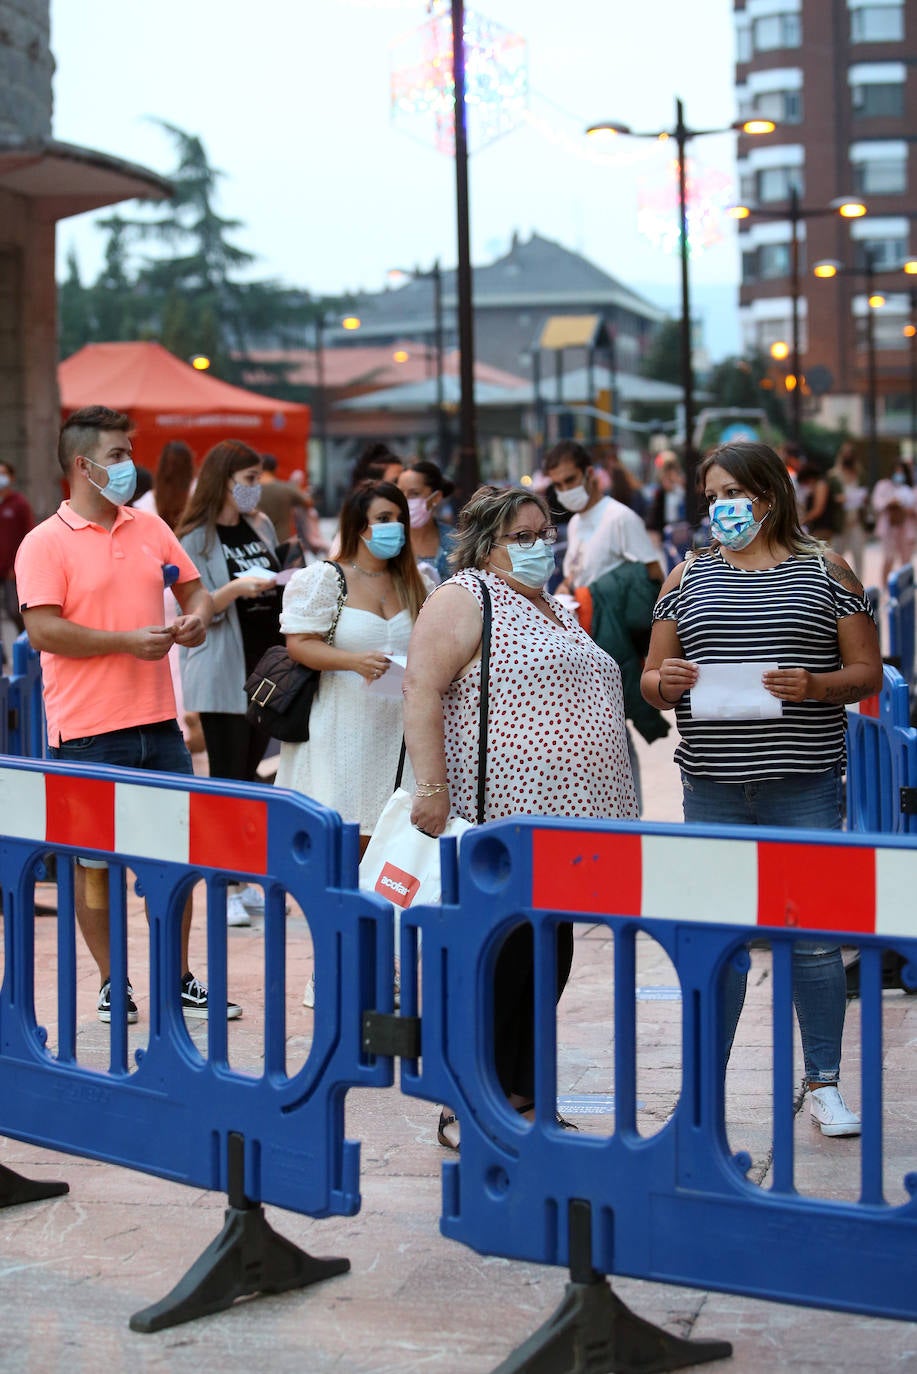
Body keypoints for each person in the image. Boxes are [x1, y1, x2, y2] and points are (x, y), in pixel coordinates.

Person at [641, 439, 882, 1138]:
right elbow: (652, 680)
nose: (718, 507)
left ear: (768, 496)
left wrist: (814, 685)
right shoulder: (685, 577)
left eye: (730, 494)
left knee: (810, 941)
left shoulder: (823, 570)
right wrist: (669, 682)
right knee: (719, 941)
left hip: (801, 785)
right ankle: (704, 1095)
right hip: (711, 787)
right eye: (709, 496)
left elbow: (865, 671)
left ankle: (823, 1084)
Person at [402, 484, 638, 1149]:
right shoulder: (465, 596)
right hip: (501, 818)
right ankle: (470, 1104)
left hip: (567, 826)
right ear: (485, 542)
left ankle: (525, 1093)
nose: (541, 545)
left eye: (545, 533)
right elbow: (422, 687)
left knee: (545, 958)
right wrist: (430, 787)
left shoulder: (551, 606)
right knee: (502, 961)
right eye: (523, 536)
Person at [14, 405, 240, 1023]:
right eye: (117, 455)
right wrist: (124, 642)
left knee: (175, 859)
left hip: (159, 723)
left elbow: (190, 587)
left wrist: (195, 617)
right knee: (93, 871)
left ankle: (179, 976)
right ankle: (115, 981)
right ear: (82, 466)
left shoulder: (149, 527)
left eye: (129, 453)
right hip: (86, 733)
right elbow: (43, 630)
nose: (128, 465)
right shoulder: (44, 542)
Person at [275, 479, 432, 1006]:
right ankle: (333, 966)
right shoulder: (326, 579)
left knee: (394, 850)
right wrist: (351, 661)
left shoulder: (418, 581)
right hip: (343, 727)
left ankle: (385, 965)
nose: (392, 527)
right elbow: (298, 644)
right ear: (359, 524)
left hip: (401, 733)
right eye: (382, 517)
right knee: (344, 850)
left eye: (398, 517)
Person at [176, 441, 283, 927]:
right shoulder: (194, 538)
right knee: (226, 777)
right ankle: (225, 882)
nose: (254, 488)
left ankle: (248, 871)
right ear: (224, 480)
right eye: (248, 478)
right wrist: (237, 589)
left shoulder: (260, 524)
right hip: (222, 667)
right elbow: (195, 609)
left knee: (253, 776)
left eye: (257, 478)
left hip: (267, 664)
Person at [543, 439, 664, 811]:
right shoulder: (578, 522)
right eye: (558, 485)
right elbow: (581, 570)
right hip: (585, 636)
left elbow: (653, 574)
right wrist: (569, 588)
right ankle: (607, 812)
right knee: (597, 730)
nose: (566, 491)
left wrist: (604, 593)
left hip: (615, 639)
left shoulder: (620, 518)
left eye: (571, 480)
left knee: (616, 726)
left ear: (591, 475)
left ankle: (630, 814)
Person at [397, 459, 456, 582]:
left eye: (414, 494)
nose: (405, 500)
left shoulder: (456, 543)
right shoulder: (388, 542)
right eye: (400, 493)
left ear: (436, 497)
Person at [0, 458, 35, 647]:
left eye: (3, 473)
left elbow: (28, 534)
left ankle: (28, 644)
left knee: (15, 610)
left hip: (11, 569)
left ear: (11, 478)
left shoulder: (19, 504)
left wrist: (17, 564)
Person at [871, 459, 917, 587]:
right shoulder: (883, 485)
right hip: (889, 529)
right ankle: (885, 587)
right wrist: (890, 503)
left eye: (902, 471)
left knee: (906, 561)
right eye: (897, 471)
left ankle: (906, 589)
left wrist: (908, 509)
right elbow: (877, 503)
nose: (899, 474)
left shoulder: (912, 489)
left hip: (907, 529)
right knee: (888, 558)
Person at [829, 444, 869, 579]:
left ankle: (860, 589)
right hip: (840, 522)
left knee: (859, 555)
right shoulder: (834, 476)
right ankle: (836, 586)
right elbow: (829, 497)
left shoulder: (860, 474)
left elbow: (865, 494)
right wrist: (839, 499)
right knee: (836, 557)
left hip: (856, 521)